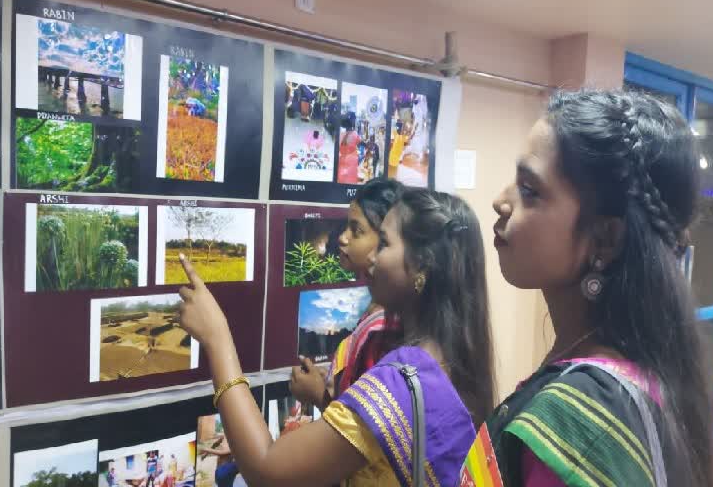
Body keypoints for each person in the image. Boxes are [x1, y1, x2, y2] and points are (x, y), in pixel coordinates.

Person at [464, 89, 713, 486]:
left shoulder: (583, 420)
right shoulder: (636, 377)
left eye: (530, 191)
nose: (501, 201)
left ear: (606, 239)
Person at [177, 188, 495, 486]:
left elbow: (266, 469)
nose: (372, 258)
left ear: (422, 266)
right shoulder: (452, 361)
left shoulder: (404, 380)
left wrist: (216, 337)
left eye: (383, 243)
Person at [289, 178, 404, 411]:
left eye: (357, 230)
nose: (342, 237)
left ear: (385, 238)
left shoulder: (384, 329)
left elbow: (364, 431)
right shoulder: (376, 308)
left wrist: (320, 397)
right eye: (346, 227)